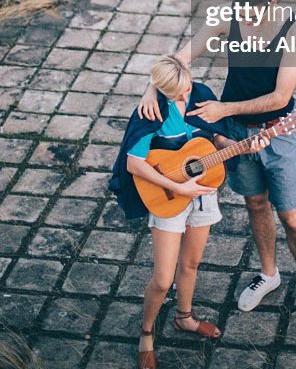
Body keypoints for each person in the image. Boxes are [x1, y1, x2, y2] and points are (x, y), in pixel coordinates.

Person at [138, 0, 296, 331]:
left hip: (278, 132)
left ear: (272, 3)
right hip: (234, 135)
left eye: (252, 11)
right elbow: (179, 59)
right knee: (255, 204)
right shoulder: (230, 18)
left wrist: (223, 109)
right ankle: (269, 274)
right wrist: (152, 88)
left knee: (291, 216)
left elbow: (281, 97)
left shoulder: (294, 31)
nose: (244, 15)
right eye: (239, 8)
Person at [110, 54, 268, 369]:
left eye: (186, 88)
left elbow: (217, 137)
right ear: (161, 90)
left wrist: (240, 145)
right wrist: (180, 188)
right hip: (168, 195)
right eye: (177, 94)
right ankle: (146, 333)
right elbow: (134, 163)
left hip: (203, 193)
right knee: (162, 278)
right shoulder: (151, 110)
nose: (185, 97)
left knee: (191, 264)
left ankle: (185, 318)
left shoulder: (200, 94)